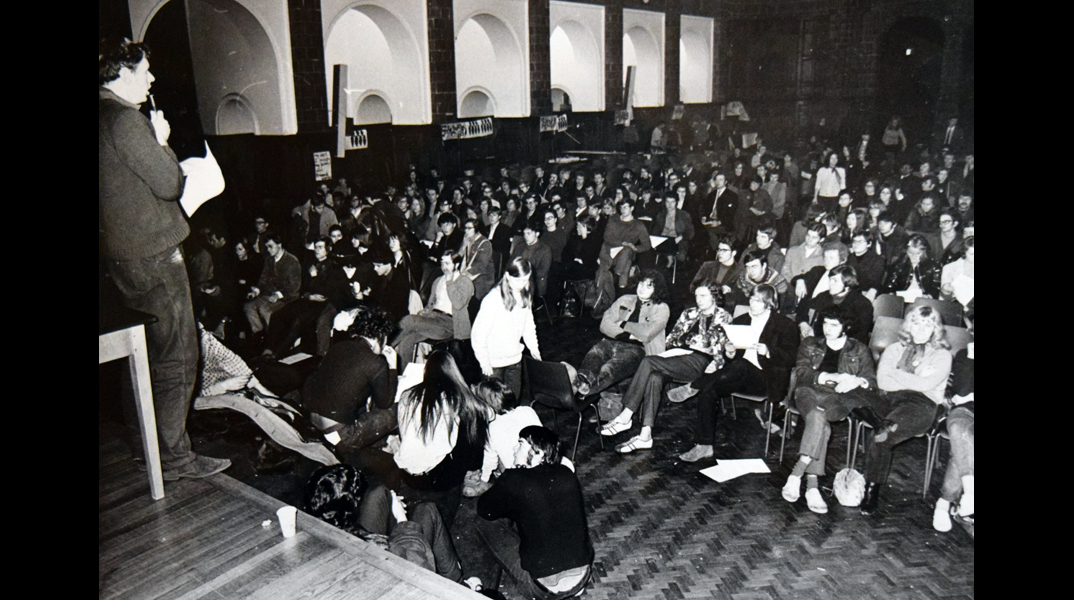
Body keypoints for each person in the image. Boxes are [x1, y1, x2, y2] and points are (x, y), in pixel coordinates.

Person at [99, 38, 230, 479]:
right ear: (120, 73)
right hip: (155, 253)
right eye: (144, 70)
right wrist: (163, 140)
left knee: (142, 352)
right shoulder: (126, 121)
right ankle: (174, 458)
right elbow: (170, 183)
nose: (152, 78)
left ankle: (145, 447)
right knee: (177, 354)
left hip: (122, 256)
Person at [600, 280, 734, 453]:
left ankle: (626, 415)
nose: (698, 300)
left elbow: (717, 348)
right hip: (678, 356)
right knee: (655, 377)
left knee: (648, 362)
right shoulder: (689, 313)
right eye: (696, 296)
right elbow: (671, 340)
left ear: (715, 296)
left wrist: (693, 343)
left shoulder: (724, 317)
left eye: (703, 296)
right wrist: (690, 341)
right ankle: (645, 435)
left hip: (703, 362)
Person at [679, 285, 800, 462]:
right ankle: (704, 445)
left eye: (758, 301)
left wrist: (768, 351)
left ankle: (695, 385)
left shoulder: (785, 325)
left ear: (769, 304)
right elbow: (731, 360)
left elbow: (791, 358)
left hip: (767, 379)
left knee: (739, 366)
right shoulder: (740, 320)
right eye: (751, 299)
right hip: (738, 376)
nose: (752, 304)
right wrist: (729, 352)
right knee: (710, 390)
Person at [476, 426, 594, 599]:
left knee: (483, 522)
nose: (514, 449)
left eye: (520, 444)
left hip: (542, 590)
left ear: (539, 453)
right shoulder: (565, 472)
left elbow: (484, 510)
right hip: (583, 575)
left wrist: (506, 481)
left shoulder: (514, 478)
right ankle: (575, 587)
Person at [780, 305, 877, 513]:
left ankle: (797, 474)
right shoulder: (810, 343)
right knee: (817, 416)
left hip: (838, 398)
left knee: (820, 421)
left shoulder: (859, 349)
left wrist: (856, 381)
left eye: (834, 325)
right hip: (808, 391)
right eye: (825, 323)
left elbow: (871, 381)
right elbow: (801, 372)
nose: (828, 329)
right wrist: (829, 376)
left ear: (846, 327)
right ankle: (812, 487)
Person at [859, 305, 953, 515]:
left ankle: (871, 489)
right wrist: (915, 379)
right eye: (916, 323)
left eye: (927, 325)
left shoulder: (942, 355)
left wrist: (897, 374)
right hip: (889, 398)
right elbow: (883, 380)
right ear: (908, 325)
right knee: (858, 394)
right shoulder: (894, 348)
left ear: (935, 329)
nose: (920, 330)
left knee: (881, 435)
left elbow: (926, 386)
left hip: (921, 404)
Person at [304, 464, 463, 582]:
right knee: (427, 510)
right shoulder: (371, 547)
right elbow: (416, 569)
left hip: (359, 548)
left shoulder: (312, 528)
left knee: (380, 493)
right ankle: (456, 584)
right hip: (398, 571)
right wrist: (402, 519)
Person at [390, 350, 495, 525]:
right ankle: (473, 476)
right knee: (472, 423)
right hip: (438, 478)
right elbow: (488, 414)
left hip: (408, 475)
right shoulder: (456, 398)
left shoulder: (407, 394)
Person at [302, 306, 399, 457]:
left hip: (312, 420)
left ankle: (378, 444)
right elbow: (384, 403)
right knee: (394, 410)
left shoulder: (338, 346)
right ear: (382, 336)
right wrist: (393, 367)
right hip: (341, 434)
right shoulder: (375, 362)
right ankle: (380, 448)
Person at [572, 271, 671, 399]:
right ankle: (581, 384)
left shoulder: (661, 308)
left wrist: (623, 323)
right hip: (612, 341)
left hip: (638, 349)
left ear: (656, 290)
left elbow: (647, 333)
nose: (642, 288)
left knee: (610, 368)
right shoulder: (625, 299)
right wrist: (622, 334)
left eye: (648, 286)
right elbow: (604, 323)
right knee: (594, 355)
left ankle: (580, 391)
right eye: (641, 283)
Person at [471, 258, 543, 397]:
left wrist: (534, 348)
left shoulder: (525, 296)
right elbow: (478, 333)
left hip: (514, 361)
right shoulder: (493, 299)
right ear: (508, 276)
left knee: (513, 403)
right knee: (494, 408)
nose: (522, 285)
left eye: (526, 280)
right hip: (493, 363)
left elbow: (528, 325)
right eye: (518, 280)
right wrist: (484, 360)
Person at [392, 251, 475, 369]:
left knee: (409, 320)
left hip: (449, 323)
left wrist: (450, 281)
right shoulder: (438, 281)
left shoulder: (465, 282)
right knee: (406, 341)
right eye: (442, 263)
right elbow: (431, 303)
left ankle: (386, 347)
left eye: (447, 263)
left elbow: (458, 303)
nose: (443, 267)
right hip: (432, 319)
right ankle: (403, 376)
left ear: (456, 265)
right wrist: (425, 311)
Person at [933, 300, 973, 532]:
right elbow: (962, 394)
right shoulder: (963, 355)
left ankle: (944, 502)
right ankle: (970, 493)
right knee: (958, 425)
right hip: (966, 411)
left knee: (965, 442)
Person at [244, 233, 302, 335]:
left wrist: (277, 295)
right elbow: (264, 279)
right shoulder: (269, 260)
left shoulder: (292, 261)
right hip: (269, 295)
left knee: (265, 310)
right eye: (266, 247)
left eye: (271, 246)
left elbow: (294, 286)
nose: (268, 249)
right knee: (248, 306)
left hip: (287, 298)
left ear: (279, 245)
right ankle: (260, 334)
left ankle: (274, 338)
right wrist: (256, 291)